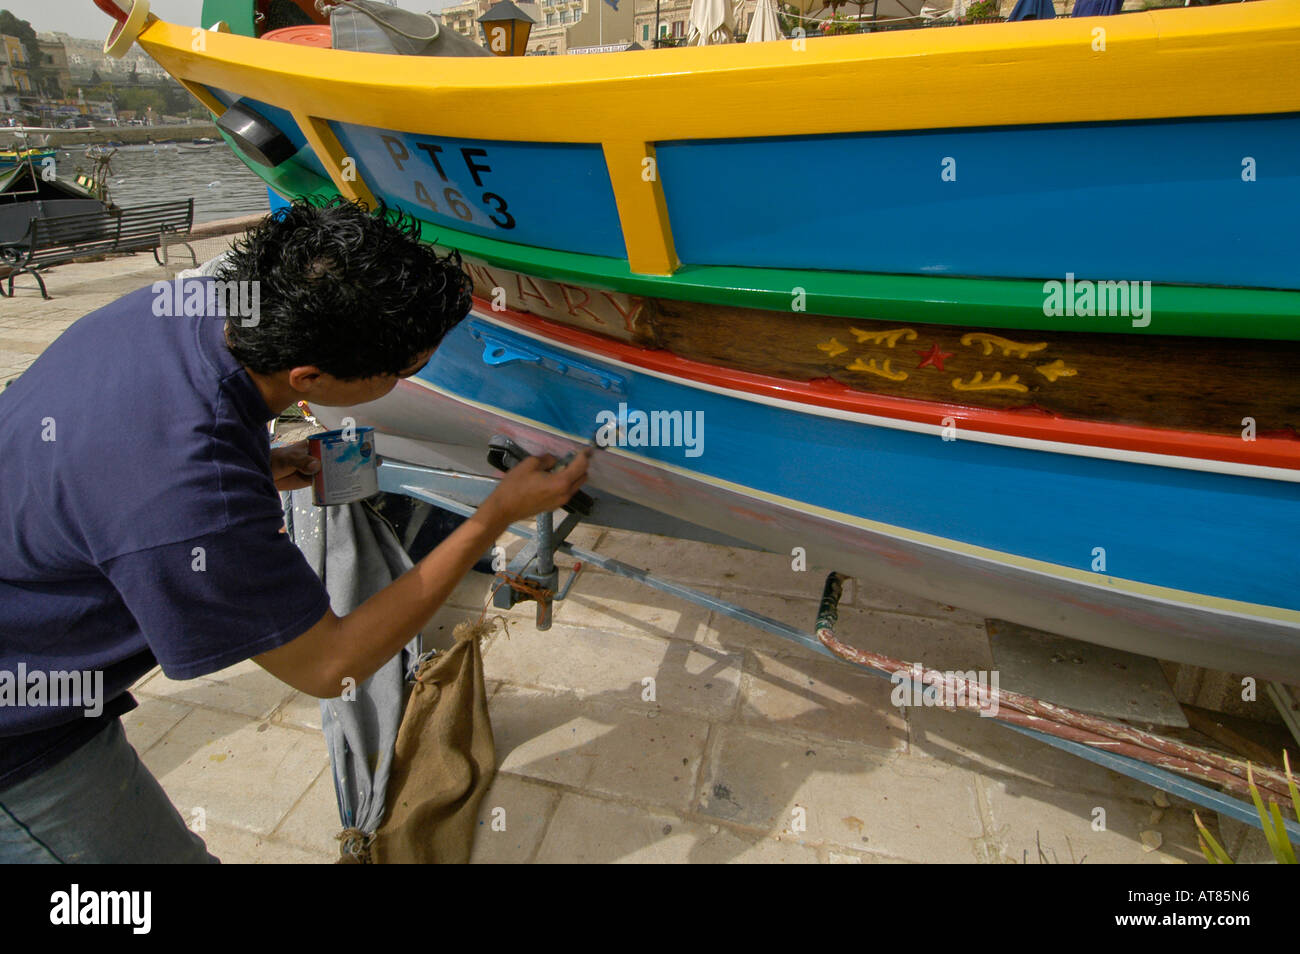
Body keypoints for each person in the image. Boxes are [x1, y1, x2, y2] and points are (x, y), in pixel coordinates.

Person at [0, 197, 589, 863]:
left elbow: (122, 453)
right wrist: (494, 516)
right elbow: (330, 665)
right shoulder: (192, 504)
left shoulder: (174, 310)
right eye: (403, 372)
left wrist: (254, 463)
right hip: (19, 742)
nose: (410, 379)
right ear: (309, 378)